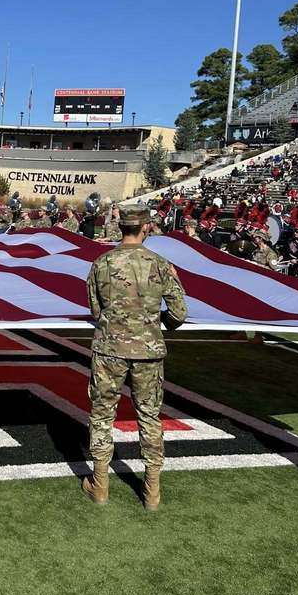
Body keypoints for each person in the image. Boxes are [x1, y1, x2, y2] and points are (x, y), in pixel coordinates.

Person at [82, 203, 187, 511]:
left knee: (102, 415)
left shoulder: (102, 263)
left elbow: (96, 311)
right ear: (146, 228)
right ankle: (152, 491)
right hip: (148, 351)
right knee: (149, 416)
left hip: (109, 349)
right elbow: (179, 312)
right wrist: (155, 324)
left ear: (121, 227)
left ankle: (100, 485)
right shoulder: (161, 264)